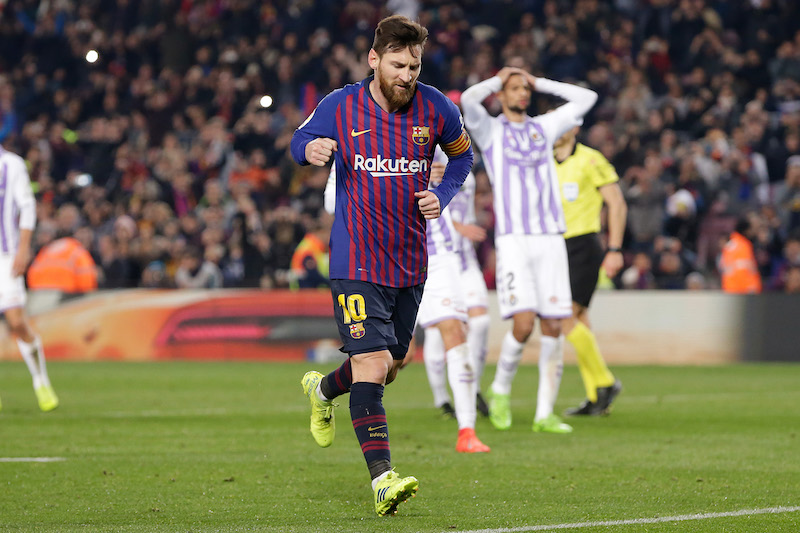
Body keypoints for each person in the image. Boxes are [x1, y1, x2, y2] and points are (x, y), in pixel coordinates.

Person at [290, 15, 473, 516]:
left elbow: (462, 158)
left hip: (409, 263)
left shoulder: (437, 108)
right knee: (371, 364)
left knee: (390, 367)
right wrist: (311, 149)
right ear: (374, 59)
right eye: (397, 65)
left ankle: (323, 389)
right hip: (355, 261)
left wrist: (442, 194)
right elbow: (297, 142)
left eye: (414, 66)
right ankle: (382, 480)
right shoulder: (340, 105)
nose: (406, 75)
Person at [461, 67, 597, 433]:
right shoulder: (491, 130)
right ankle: (501, 389)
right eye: (514, 88)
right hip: (515, 240)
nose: (522, 93)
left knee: (554, 325)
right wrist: (498, 78)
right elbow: (468, 100)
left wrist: (541, 83)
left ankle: (544, 414)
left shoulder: (544, 127)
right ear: (502, 95)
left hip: (550, 237)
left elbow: (588, 98)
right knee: (523, 325)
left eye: (525, 88)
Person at [554, 126, 626, 416]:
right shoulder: (544, 160)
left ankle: (606, 382)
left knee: (565, 317)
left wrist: (615, 248)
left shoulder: (590, 159)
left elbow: (616, 203)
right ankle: (596, 395)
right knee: (579, 319)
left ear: (574, 127)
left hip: (583, 244)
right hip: (555, 246)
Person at [421, 148, 492, 423]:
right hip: (434, 259)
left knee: (481, 323)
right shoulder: (417, 162)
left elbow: (465, 211)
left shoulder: (466, 172)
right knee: (439, 331)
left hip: (464, 259)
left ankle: (472, 387)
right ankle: (442, 399)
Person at [0, 144, 59, 412]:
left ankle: (40, 380)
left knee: (16, 322)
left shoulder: (11, 164)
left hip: (6, 256)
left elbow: (26, 206)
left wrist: (23, 249)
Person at [718, 216, 762, 294]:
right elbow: (747, 268)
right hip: (743, 290)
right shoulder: (744, 245)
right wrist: (753, 287)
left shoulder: (730, 244)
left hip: (730, 289)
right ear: (747, 231)